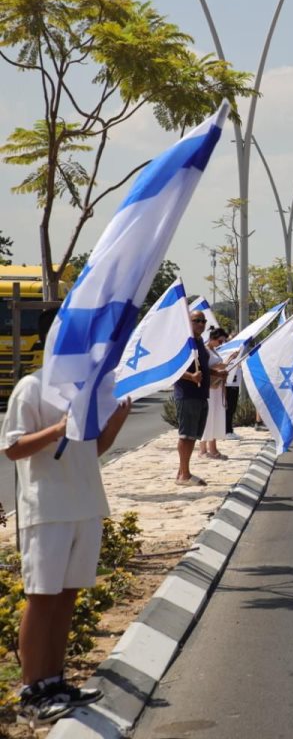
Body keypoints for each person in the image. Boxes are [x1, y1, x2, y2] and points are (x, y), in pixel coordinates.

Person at [1, 311, 132, 726]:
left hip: (85, 505)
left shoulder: (87, 392)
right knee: (41, 600)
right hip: (48, 510)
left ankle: (55, 681)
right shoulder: (32, 387)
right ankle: (32, 692)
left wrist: (113, 425)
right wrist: (57, 428)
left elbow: (90, 452)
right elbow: (14, 448)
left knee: (68, 597)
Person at [173, 309, 211, 486]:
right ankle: (184, 475)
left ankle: (182, 472)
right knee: (186, 435)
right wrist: (191, 377)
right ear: (188, 322)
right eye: (197, 320)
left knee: (193, 435)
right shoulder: (183, 342)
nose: (201, 324)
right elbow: (173, 368)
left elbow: (202, 368)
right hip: (187, 395)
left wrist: (217, 372)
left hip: (201, 395)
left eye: (203, 321)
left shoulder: (199, 341)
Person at [198, 327, 229, 461]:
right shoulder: (204, 350)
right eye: (220, 341)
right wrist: (221, 367)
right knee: (207, 418)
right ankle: (203, 449)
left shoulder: (213, 351)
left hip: (217, 388)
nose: (221, 344)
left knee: (215, 417)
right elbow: (204, 369)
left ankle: (213, 448)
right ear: (213, 338)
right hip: (209, 388)